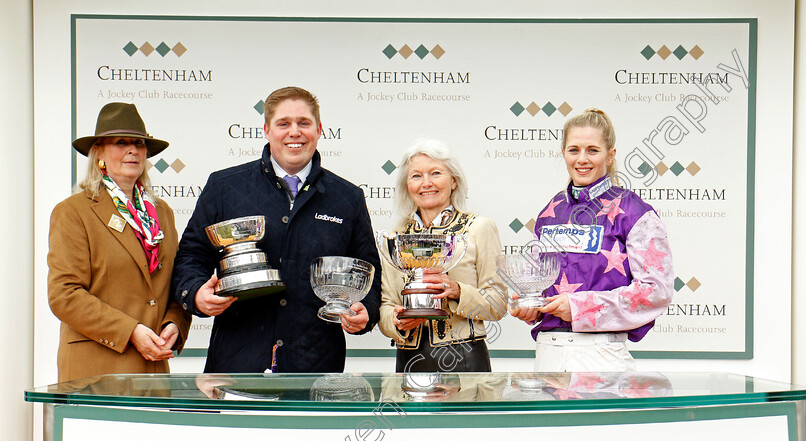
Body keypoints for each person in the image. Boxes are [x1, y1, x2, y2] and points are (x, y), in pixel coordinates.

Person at [172, 86, 381, 373]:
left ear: (319, 130)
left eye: (304, 123)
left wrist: (365, 312)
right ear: (266, 131)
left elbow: (369, 269)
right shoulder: (224, 187)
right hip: (237, 364)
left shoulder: (348, 197)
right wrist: (196, 293)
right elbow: (191, 257)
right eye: (283, 123)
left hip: (317, 368)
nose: (294, 132)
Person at [510, 108, 674, 372]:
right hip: (547, 353)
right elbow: (539, 285)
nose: (582, 159)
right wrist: (531, 307)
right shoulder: (551, 211)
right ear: (563, 153)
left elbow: (656, 290)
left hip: (601, 355)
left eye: (592, 150)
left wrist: (579, 307)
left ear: (610, 155)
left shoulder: (635, 212)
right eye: (573, 150)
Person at [48, 102, 191, 382]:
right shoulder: (73, 211)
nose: (133, 150)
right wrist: (131, 331)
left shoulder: (162, 212)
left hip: (153, 370)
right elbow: (64, 295)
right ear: (98, 152)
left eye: (139, 143)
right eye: (121, 142)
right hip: (95, 371)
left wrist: (176, 323)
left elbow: (175, 286)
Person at [379, 139, 506, 373]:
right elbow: (386, 304)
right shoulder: (394, 238)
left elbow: (497, 304)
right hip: (409, 358)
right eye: (416, 176)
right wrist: (395, 321)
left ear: (454, 181)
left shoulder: (479, 228)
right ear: (407, 185)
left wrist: (457, 291)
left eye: (436, 173)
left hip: (465, 356)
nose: (426, 183)